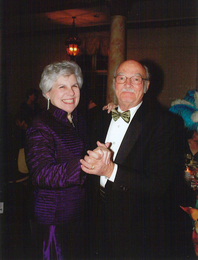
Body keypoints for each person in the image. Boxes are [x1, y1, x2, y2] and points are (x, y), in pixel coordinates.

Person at [81, 60, 195, 259]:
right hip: (97, 223)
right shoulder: (100, 117)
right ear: (114, 83)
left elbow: (159, 184)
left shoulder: (166, 123)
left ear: (147, 86)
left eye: (136, 79)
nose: (128, 84)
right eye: (122, 78)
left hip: (138, 230)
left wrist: (110, 171)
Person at [25, 60, 88, 260]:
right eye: (62, 86)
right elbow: (40, 174)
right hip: (53, 220)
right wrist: (85, 166)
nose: (70, 92)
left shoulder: (76, 120)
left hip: (74, 216)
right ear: (47, 93)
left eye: (74, 85)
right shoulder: (41, 125)